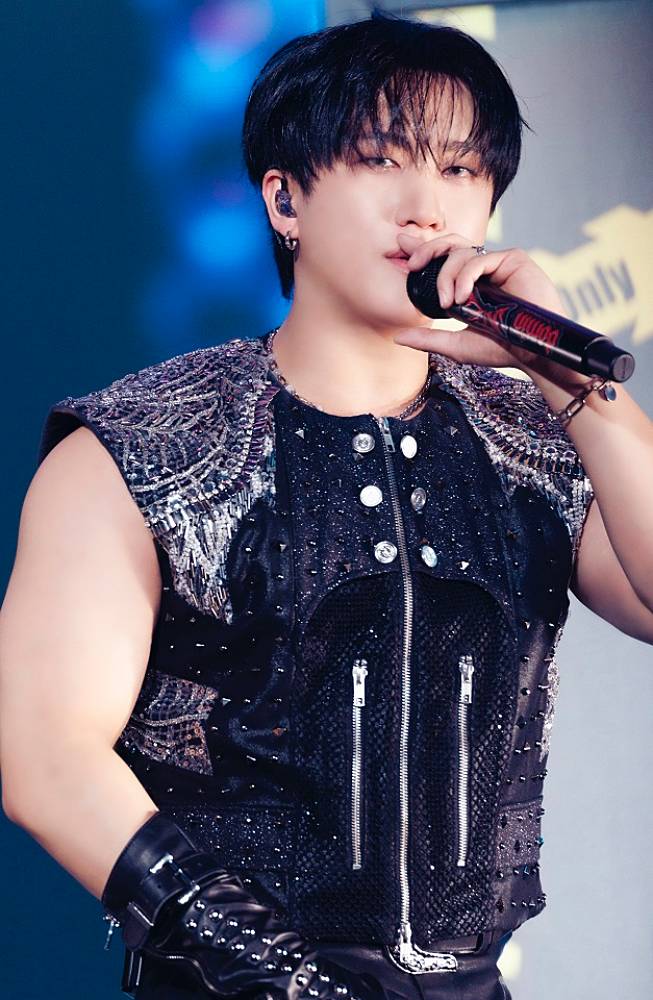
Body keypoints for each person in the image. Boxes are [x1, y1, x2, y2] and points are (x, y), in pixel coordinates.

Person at [1, 10, 652, 1000]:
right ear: (284, 198)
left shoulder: (533, 440)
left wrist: (574, 388)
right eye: (382, 160)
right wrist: (285, 977)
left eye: (459, 170)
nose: (424, 208)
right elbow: (44, 757)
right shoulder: (140, 442)